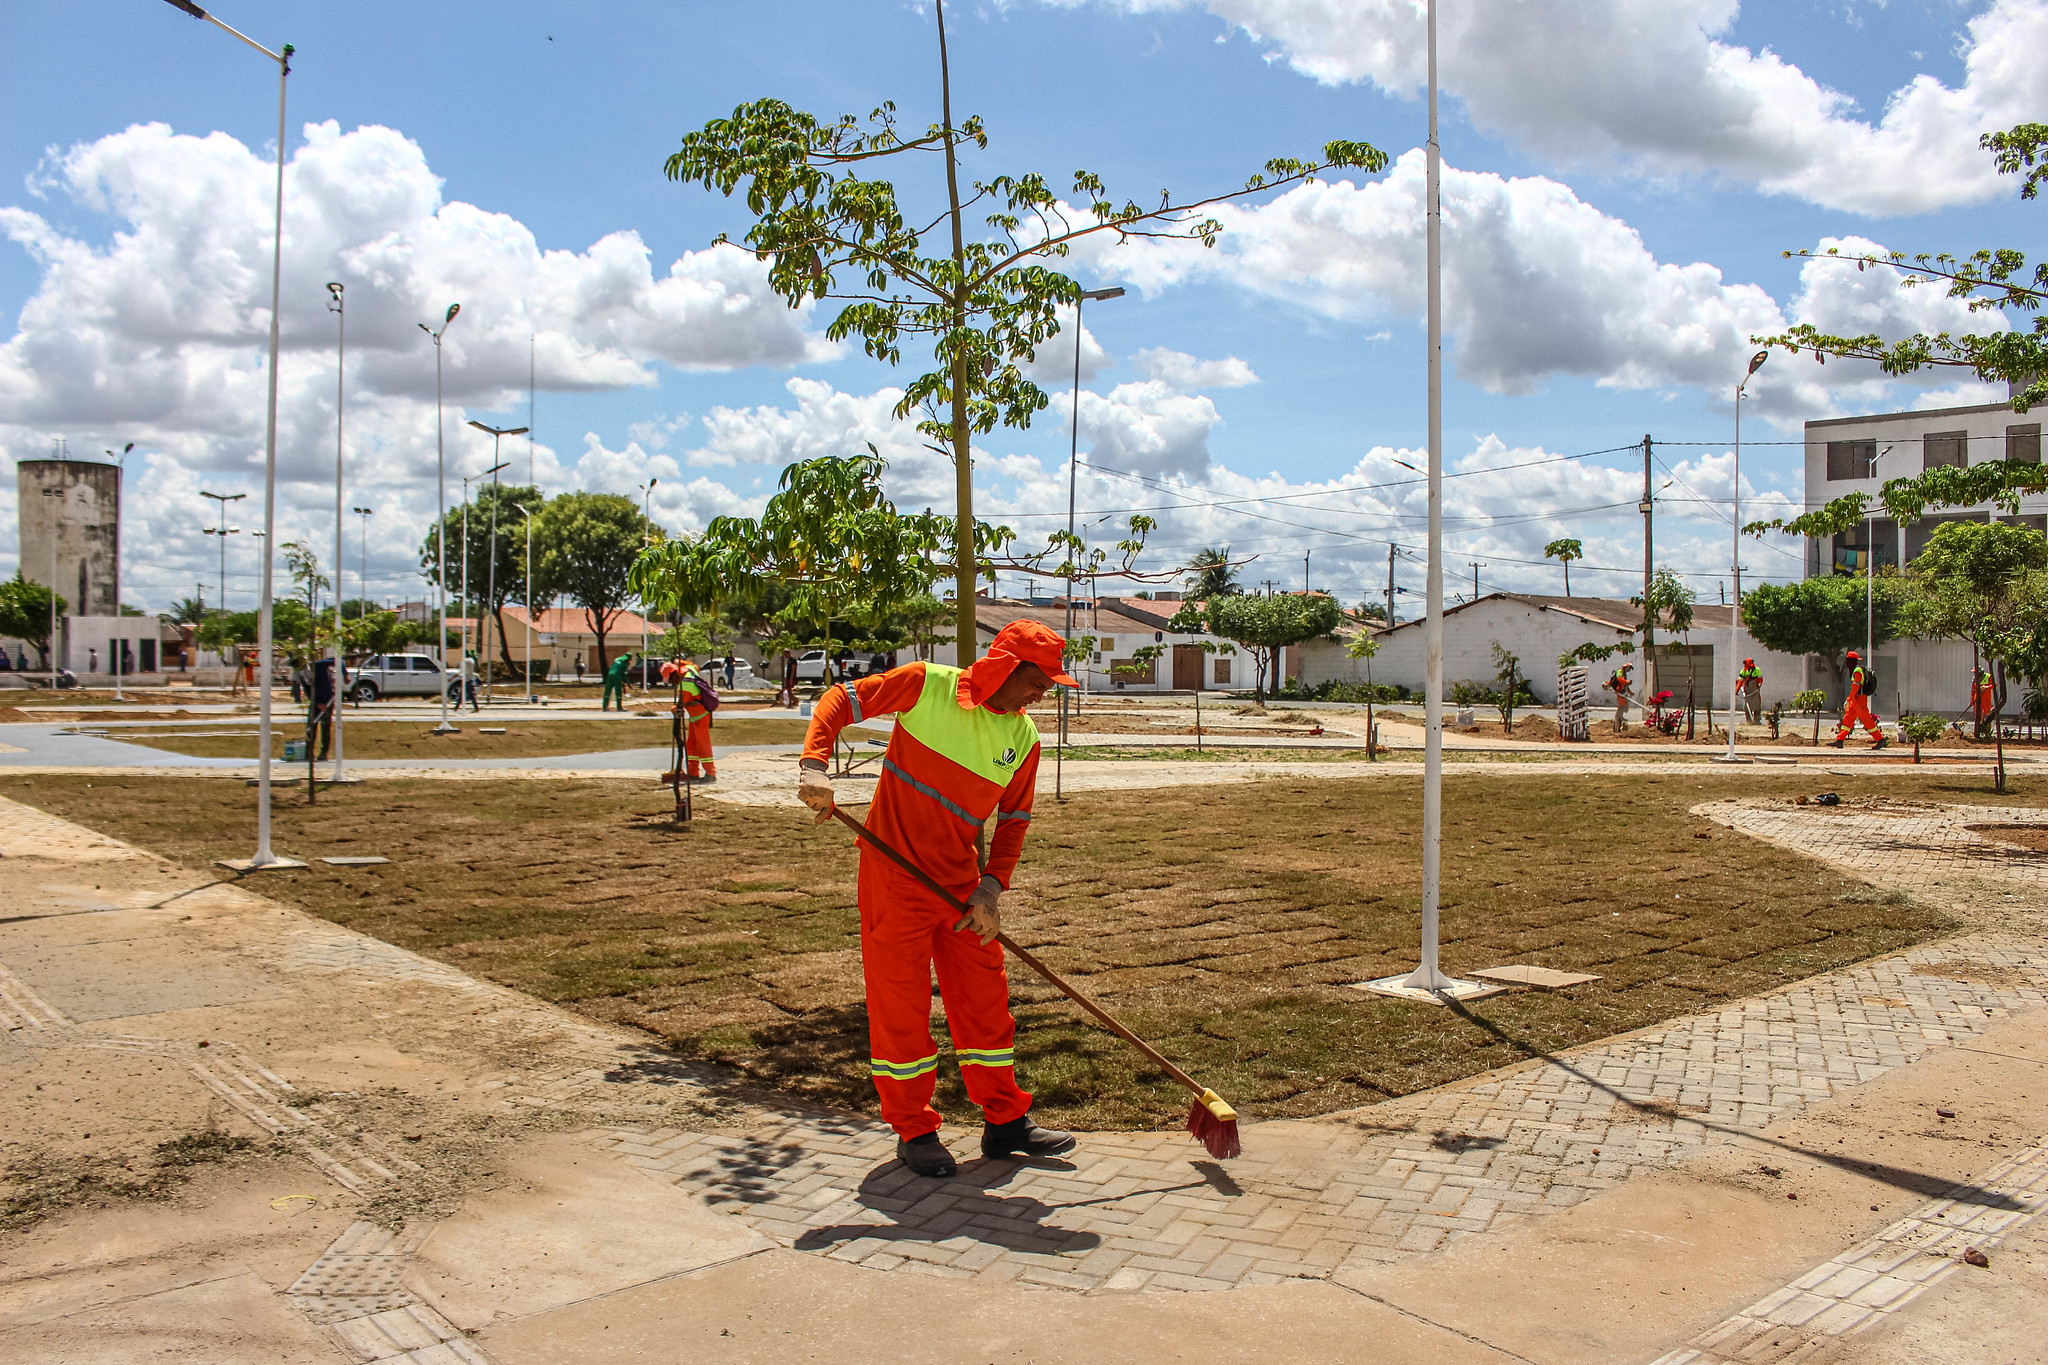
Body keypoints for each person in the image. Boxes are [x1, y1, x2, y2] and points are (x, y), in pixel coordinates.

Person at [796, 621, 1076, 1179]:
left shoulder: (1024, 739)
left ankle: (1005, 1123)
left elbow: (1014, 820)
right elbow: (840, 700)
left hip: (961, 888)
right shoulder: (926, 685)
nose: (1044, 693)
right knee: (900, 1009)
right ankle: (915, 1128)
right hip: (893, 877)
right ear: (1004, 667)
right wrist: (813, 766)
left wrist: (990, 890)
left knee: (985, 1004)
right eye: (1039, 680)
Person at [663, 659, 720, 781]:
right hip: (695, 717)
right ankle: (693, 772)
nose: (673, 683)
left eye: (671, 680)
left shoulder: (686, 684)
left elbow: (681, 705)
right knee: (692, 744)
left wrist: (674, 709)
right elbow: (694, 665)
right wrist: (679, 661)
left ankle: (711, 773)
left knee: (702, 744)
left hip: (701, 716)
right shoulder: (690, 670)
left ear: (674, 674)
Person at [1829, 649, 1888, 748]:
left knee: (1866, 720)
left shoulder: (1857, 671)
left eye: (1848, 660)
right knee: (1848, 719)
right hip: (1855, 699)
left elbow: (1855, 688)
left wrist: (1848, 699)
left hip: (1859, 699)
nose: (1847, 663)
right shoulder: (1855, 671)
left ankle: (1880, 740)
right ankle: (1840, 740)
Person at [309, 656, 340, 761]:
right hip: (315, 701)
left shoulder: (320, 665)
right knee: (311, 726)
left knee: (325, 727)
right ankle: (309, 752)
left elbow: (340, 662)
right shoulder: (304, 674)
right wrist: (317, 704)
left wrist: (346, 674)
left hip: (327, 700)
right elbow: (307, 690)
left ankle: (323, 753)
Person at [1605, 663, 1634, 730]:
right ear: (1626, 667)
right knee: (1621, 708)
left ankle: (1619, 721)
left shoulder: (1624, 674)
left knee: (1623, 708)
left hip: (1623, 693)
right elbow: (1619, 679)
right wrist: (1626, 682)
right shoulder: (1620, 671)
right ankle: (1617, 726)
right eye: (1629, 668)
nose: (1629, 670)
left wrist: (1630, 692)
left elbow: (1626, 686)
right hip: (1619, 693)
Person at [1973, 665, 1998, 738]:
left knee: (1988, 715)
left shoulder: (1988, 676)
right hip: (1977, 700)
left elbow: (1994, 685)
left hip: (1986, 700)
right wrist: (1972, 701)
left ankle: (1987, 732)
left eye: (1976, 672)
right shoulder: (1974, 679)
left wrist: (1986, 687)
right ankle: (1977, 732)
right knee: (1977, 716)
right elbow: (1973, 690)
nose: (1975, 674)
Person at [1737, 658, 1763, 725]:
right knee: (1747, 706)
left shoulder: (1757, 670)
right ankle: (1749, 721)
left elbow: (1760, 679)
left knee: (1757, 705)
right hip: (1747, 690)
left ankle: (1757, 720)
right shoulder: (1743, 671)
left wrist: (1759, 685)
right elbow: (1740, 681)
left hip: (1754, 690)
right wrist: (1736, 690)